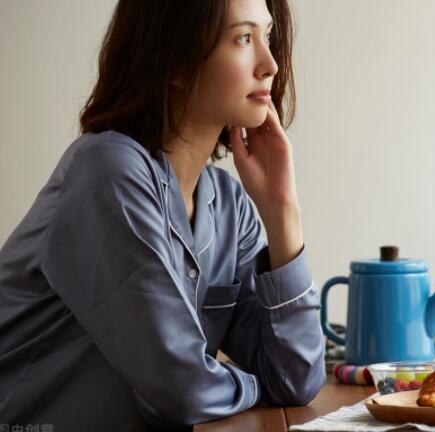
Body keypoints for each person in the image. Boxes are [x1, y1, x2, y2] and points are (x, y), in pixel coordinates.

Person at [0, 0, 326, 430]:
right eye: (244, 38)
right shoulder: (108, 172)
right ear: (174, 59)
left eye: (267, 37)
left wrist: (283, 211)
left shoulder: (227, 203)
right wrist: (255, 385)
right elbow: (183, 389)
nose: (270, 65)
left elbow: (296, 379)